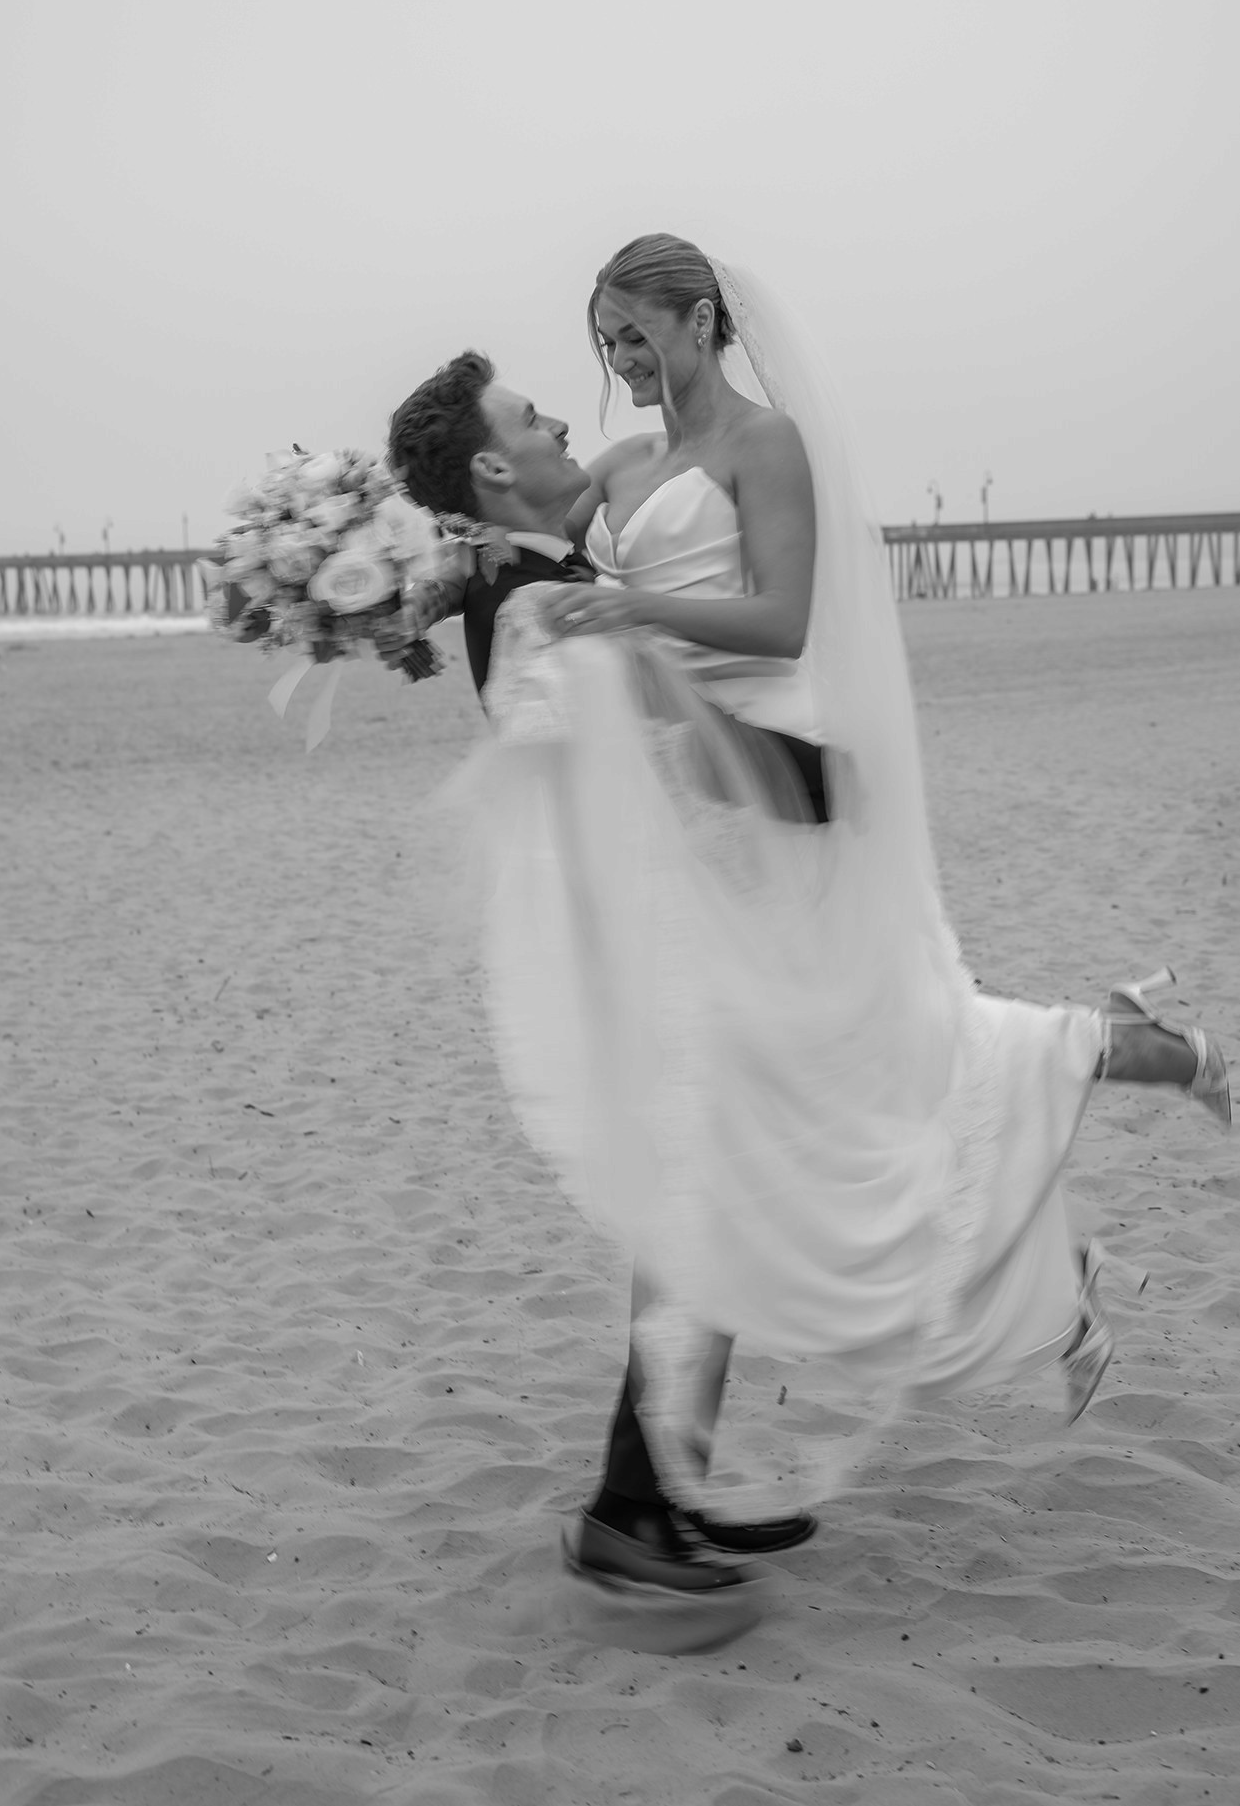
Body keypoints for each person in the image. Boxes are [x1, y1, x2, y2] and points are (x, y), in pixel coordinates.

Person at [383, 236, 1230, 1546]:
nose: (614, 363)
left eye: (632, 332)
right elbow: (520, 553)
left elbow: (780, 622)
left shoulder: (764, 446)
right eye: (602, 341)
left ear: (699, 318)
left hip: (778, 784)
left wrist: (629, 621)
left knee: (876, 1058)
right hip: (690, 802)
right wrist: (392, 572)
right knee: (797, 1107)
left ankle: (1156, 1068)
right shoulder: (616, 465)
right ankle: (676, 1482)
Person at [385, 352, 817, 1598]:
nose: (567, 413)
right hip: (641, 941)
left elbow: (602, 535)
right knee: (698, 1213)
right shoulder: (533, 603)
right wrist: (824, 783)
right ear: (491, 462)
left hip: (654, 920)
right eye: (532, 414)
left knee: (708, 1210)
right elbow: (654, 738)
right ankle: (632, 1509)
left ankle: (669, 1487)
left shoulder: (530, 569)